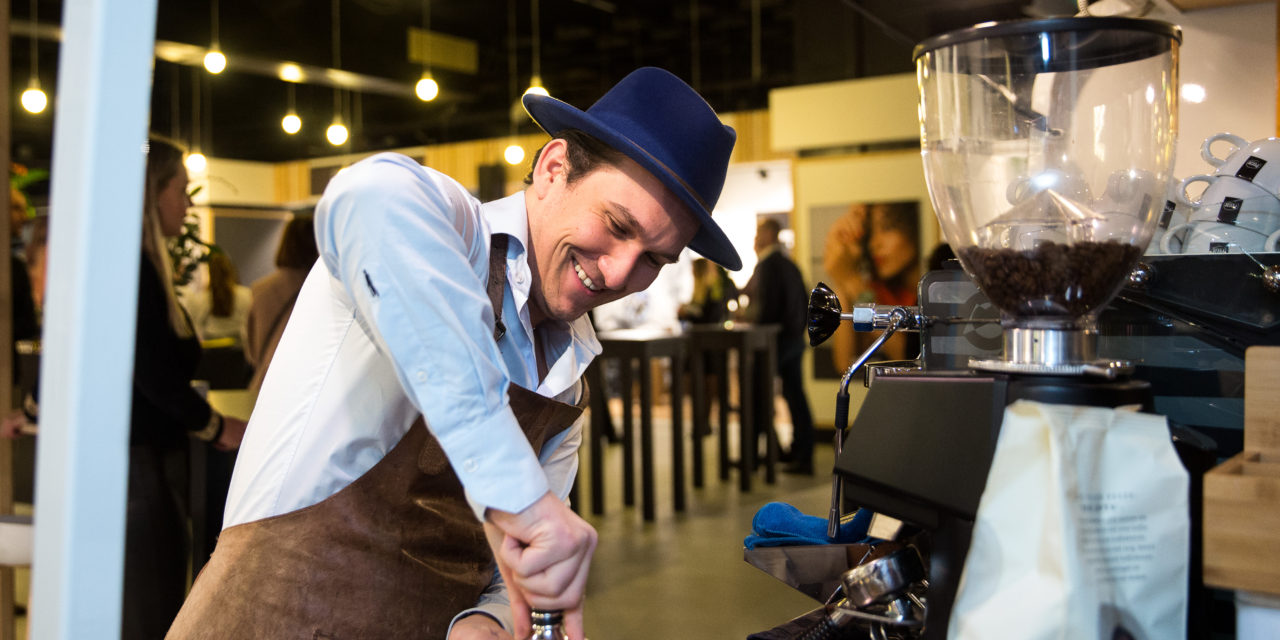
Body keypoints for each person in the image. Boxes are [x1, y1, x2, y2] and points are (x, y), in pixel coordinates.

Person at [166, 67, 740, 640]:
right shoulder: (453, 238)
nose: (619, 271)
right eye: (616, 224)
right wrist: (514, 491)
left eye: (653, 259)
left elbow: (507, 570)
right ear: (553, 168)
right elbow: (366, 194)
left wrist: (488, 619)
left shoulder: (569, 379)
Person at [743, 219, 815, 475]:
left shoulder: (770, 266)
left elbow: (768, 310)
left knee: (761, 394)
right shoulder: (787, 264)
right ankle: (796, 451)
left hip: (778, 342)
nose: (755, 238)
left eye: (759, 232)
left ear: (770, 234)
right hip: (791, 340)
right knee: (794, 395)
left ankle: (766, 454)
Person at [822, 202, 921, 369]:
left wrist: (849, 279)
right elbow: (844, 364)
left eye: (888, 228)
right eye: (870, 233)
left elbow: (908, 353)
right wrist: (844, 273)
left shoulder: (931, 293)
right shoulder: (881, 291)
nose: (875, 243)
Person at [242, 214, 318, 396]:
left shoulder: (261, 289)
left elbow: (252, 351)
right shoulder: (323, 290)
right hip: (307, 387)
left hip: (266, 386)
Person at [182, 251, 252, 343]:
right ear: (231, 270)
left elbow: (195, 326)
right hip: (239, 349)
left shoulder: (203, 298)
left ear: (210, 272)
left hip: (212, 351)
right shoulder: (246, 294)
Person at [678, 257, 737, 326]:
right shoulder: (702, 291)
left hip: (708, 332)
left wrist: (686, 314)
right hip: (703, 331)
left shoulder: (713, 292)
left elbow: (709, 319)